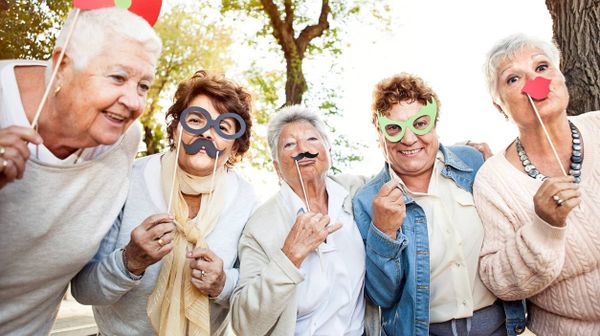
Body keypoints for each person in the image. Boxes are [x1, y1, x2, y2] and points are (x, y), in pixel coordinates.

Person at [0, 8, 161, 335]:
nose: (132, 101)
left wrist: (131, 260)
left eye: (143, 85)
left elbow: (86, 279)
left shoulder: (123, 139)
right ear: (61, 67)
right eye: (117, 77)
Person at [71, 70, 257, 335]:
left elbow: (253, 295)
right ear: (175, 128)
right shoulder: (127, 180)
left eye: (223, 127)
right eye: (196, 120)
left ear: (236, 147)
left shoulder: (246, 201)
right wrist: (129, 262)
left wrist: (222, 284)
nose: (207, 134)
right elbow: (83, 289)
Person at [352, 73, 526, 336]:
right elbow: (382, 297)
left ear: (434, 124)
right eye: (394, 128)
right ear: (379, 134)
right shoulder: (367, 201)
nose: (409, 139)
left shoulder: (473, 163)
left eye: (420, 124)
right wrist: (383, 233)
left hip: (500, 326)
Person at [474, 34, 600, 335]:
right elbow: (498, 281)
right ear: (500, 106)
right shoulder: (493, 181)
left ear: (560, 77)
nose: (534, 83)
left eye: (542, 68)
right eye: (514, 79)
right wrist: (544, 227)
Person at [230, 105, 379, 335]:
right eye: (289, 144)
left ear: (328, 151)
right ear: (277, 168)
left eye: (311, 139)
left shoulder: (356, 192)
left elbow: (403, 175)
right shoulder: (260, 227)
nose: (303, 149)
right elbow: (245, 324)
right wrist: (290, 257)